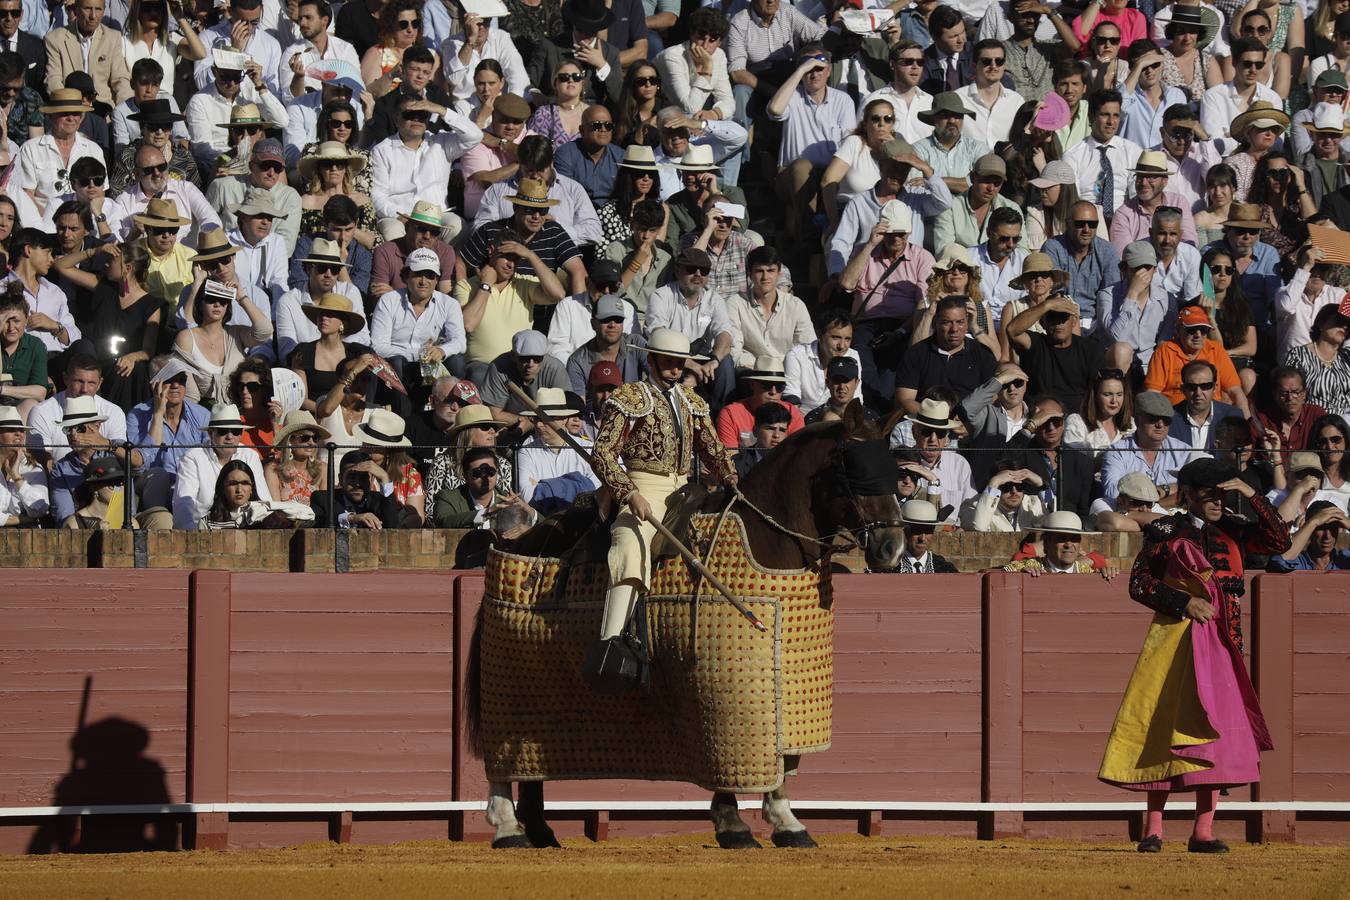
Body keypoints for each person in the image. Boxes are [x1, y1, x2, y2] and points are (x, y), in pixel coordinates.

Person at [1099, 457, 1288, 855]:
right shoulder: (1168, 531)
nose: (1217, 499)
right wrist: (1183, 602)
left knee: (1214, 733)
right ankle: (1154, 829)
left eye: (1222, 491)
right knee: (1166, 727)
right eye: (1208, 492)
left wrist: (1253, 494)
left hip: (1224, 643)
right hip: (1176, 643)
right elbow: (1139, 583)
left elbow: (1280, 542)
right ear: (1187, 494)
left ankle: (1203, 831)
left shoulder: (1235, 529)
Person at [588, 327, 737, 659]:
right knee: (630, 541)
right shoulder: (628, 397)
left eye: (679, 364)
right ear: (651, 359)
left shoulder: (692, 401)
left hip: (686, 489)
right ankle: (610, 643)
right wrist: (628, 493)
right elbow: (602, 453)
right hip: (645, 488)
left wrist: (729, 473)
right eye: (668, 362)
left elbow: (712, 448)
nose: (674, 370)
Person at [172, 232, 275, 405]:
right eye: (213, 264)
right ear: (204, 265)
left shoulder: (256, 294)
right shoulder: (191, 291)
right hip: (201, 390)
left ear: (233, 257)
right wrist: (197, 285)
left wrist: (241, 297)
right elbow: (185, 328)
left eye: (225, 260)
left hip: (244, 376)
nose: (220, 268)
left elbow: (265, 337)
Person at [368, 91, 482, 241]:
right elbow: (378, 195)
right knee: (392, 231)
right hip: (400, 216)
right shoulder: (381, 150)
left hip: (437, 214)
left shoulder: (441, 142)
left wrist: (441, 110)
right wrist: (399, 215)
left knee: (457, 226)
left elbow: (475, 136)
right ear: (396, 119)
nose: (416, 119)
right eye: (409, 114)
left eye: (422, 114)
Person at [458, 232, 566, 382]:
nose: (511, 264)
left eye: (516, 259)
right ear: (491, 250)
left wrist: (531, 256)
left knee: (554, 369)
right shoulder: (467, 286)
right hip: (483, 367)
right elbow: (468, 325)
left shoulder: (524, 284)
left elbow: (558, 294)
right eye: (507, 257)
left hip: (520, 366)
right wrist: (485, 285)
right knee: (478, 374)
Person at [644, 246, 737, 409]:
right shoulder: (661, 296)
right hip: (670, 358)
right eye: (692, 269)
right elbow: (659, 337)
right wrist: (693, 367)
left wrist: (713, 362)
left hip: (705, 361)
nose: (698, 274)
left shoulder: (714, 299)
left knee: (726, 362)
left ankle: (723, 416)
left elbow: (725, 336)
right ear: (677, 271)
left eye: (704, 270)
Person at [370, 247, 467, 386]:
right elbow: (378, 345)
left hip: (432, 366)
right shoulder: (388, 300)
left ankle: (451, 406)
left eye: (429, 275)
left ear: (436, 280)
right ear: (406, 277)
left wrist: (441, 350)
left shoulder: (450, 304)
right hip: (398, 365)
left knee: (457, 361)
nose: (423, 281)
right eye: (417, 274)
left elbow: (460, 342)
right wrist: (419, 355)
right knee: (396, 361)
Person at [170, 402, 272, 528]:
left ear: (241, 434)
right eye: (223, 431)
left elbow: (264, 501)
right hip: (203, 532)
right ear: (210, 433)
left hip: (247, 530)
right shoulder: (193, 458)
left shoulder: (250, 456)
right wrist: (193, 538)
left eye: (235, 431)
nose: (230, 437)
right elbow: (183, 505)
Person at [184, 50, 288, 172]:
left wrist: (259, 84)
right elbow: (204, 151)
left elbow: (282, 122)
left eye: (237, 77)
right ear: (214, 72)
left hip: (255, 162)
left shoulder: (251, 90)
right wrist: (233, 164)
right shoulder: (199, 100)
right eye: (225, 77)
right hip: (220, 165)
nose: (231, 83)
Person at [895, 296, 998, 416]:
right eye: (946, 322)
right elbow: (906, 399)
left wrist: (970, 423)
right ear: (935, 323)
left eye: (960, 322)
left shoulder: (982, 354)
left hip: (970, 424)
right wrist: (938, 421)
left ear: (967, 323)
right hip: (925, 423)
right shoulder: (916, 353)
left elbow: (993, 398)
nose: (954, 329)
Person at [13, 89, 104, 223]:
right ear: (51, 116)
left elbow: (100, 193)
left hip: (84, 226)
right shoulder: (30, 148)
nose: (71, 118)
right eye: (65, 113)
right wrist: (46, 224)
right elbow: (27, 195)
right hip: (42, 224)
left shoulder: (93, 149)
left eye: (76, 113)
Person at [1006, 293, 1105, 415]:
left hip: (1079, 417)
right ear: (1043, 323)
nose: (1058, 323)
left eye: (1063, 318)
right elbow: (1012, 330)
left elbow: (1098, 392)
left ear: (1074, 322)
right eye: (1053, 318)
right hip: (1039, 415)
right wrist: (1047, 305)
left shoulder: (1090, 349)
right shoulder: (1036, 344)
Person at [1101, 390, 1202, 504]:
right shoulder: (1117, 452)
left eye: (1166, 420)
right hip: (1132, 517)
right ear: (1137, 420)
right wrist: (1168, 489)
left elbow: (1200, 489)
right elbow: (1113, 494)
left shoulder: (1183, 451)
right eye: (1153, 419)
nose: (1160, 425)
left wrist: (1160, 494)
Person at [1003, 395, 1096, 520]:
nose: (1051, 427)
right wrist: (1030, 426)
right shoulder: (1021, 454)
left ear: (1064, 423)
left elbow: (1084, 509)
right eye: (1044, 421)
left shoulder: (1081, 461)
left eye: (1056, 420)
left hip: (1069, 530)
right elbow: (1002, 460)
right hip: (1031, 527)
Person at [1062, 88, 1144, 225]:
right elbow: (1072, 201)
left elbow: (1137, 196)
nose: (1111, 122)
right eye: (1105, 115)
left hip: (1125, 223)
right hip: (1086, 224)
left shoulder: (1132, 151)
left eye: (1116, 115)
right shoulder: (1073, 155)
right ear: (1091, 116)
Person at [205, 139, 303, 254]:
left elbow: (286, 248)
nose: (271, 173)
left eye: (277, 168)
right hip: (225, 260)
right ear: (251, 166)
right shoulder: (222, 186)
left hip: (269, 265)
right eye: (265, 165)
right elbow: (206, 230)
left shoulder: (290, 197)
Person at [1145, 305, 1247, 413]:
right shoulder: (1164, 351)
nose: (1198, 335)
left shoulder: (1216, 350)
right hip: (1175, 416)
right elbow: (1152, 393)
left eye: (1203, 330)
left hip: (1212, 415)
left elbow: (1235, 391)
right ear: (1178, 330)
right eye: (1192, 330)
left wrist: (1247, 424)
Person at [43, 0, 132, 106]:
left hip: (104, 112)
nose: (93, 16)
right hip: (70, 110)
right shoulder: (55, 39)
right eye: (87, 9)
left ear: (104, 11)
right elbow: (53, 81)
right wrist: (71, 108)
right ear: (76, 10)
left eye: (98, 9)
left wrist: (124, 113)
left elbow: (121, 80)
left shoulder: (112, 38)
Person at [479, 328, 573, 426]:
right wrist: (528, 423)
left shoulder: (555, 369)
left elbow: (565, 413)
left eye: (537, 358)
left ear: (544, 356)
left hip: (549, 428)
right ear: (513, 356)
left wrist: (531, 424)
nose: (530, 364)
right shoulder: (499, 368)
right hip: (511, 427)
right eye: (524, 358)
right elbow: (494, 414)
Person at [110, 94, 199, 195]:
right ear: (142, 128)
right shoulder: (127, 157)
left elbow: (196, 192)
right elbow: (116, 194)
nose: (159, 132)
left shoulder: (184, 156)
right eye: (153, 126)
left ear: (171, 130)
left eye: (166, 126)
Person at [1200, 37, 1283, 144]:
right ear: (1234, 62)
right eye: (1247, 64)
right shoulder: (1213, 96)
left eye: (1258, 65)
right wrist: (1256, 142)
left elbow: (1277, 144)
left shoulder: (1272, 98)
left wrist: (1232, 139)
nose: (1253, 70)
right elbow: (1215, 145)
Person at [784, 308, 861, 416]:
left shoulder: (853, 356)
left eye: (847, 339)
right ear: (819, 335)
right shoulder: (796, 355)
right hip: (803, 425)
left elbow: (855, 400)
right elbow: (791, 399)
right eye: (836, 338)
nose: (842, 346)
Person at [1002, 511, 1118, 578]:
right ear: (1046, 543)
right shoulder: (1026, 566)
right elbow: (1001, 578)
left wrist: (1108, 573)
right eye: (1061, 539)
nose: (1068, 544)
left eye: (1074, 539)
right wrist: (1019, 577)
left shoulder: (1088, 572)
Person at [1283, 303, 1350, 416]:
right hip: (1312, 421)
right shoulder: (1299, 355)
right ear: (1321, 324)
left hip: (1345, 423)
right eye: (1339, 321)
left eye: (1348, 324)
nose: (1344, 327)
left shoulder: (1347, 357)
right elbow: (1290, 394)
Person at [311, 449, 404, 529]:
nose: (357, 483)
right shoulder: (323, 498)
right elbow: (319, 522)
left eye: (363, 477)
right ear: (340, 479)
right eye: (351, 477)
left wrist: (384, 477)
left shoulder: (379, 500)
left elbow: (392, 527)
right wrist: (351, 518)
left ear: (371, 480)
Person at [1065, 367, 1135, 458]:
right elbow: (1075, 461)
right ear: (1095, 396)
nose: (1114, 401)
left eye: (1119, 395)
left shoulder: (1131, 423)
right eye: (1107, 394)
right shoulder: (1076, 422)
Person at [960, 459, 1045, 532]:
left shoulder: (1034, 503)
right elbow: (978, 528)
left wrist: (1042, 485)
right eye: (1007, 486)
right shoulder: (972, 505)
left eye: (1019, 486)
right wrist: (995, 481)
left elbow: (1056, 521)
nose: (1014, 491)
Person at [961, 363, 1031, 446]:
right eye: (1005, 383)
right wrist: (1000, 379)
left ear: (1026, 384)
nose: (1012, 388)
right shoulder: (986, 414)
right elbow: (966, 409)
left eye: (1017, 381)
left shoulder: (1035, 413)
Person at [0, 404, 47, 525]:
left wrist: (17, 477)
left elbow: (40, 509)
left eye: (21, 430)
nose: (19, 434)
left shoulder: (33, 468)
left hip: (29, 538)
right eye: (11, 430)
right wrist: (20, 520)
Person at [890, 498, 958, 573]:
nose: (922, 538)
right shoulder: (888, 566)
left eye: (928, 531)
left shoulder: (944, 568)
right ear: (904, 531)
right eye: (917, 531)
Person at [1090, 469, 1167, 532]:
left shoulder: (1154, 507)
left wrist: (1127, 515)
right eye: (1137, 502)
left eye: (1149, 504)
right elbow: (1116, 523)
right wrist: (1149, 526)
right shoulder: (1102, 502)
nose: (1144, 509)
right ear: (1120, 500)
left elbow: (1172, 523)